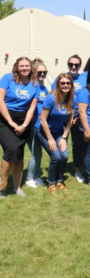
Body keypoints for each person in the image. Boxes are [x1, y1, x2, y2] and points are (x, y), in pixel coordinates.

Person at [0, 57, 38, 198]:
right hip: (4, 119)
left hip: (23, 121)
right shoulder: (7, 78)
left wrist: (25, 125)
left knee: (19, 154)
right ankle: (2, 186)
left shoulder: (34, 84)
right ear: (16, 67)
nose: (24, 68)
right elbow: (0, 100)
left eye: (27, 66)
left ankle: (17, 187)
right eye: (21, 66)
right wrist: (10, 122)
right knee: (12, 149)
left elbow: (32, 107)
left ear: (31, 68)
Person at [36, 73, 74, 193]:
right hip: (43, 130)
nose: (65, 85)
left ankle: (59, 181)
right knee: (56, 157)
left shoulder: (72, 98)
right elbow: (42, 119)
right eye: (62, 83)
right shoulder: (51, 98)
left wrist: (64, 137)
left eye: (68, 83)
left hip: (59, 132)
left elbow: (69, 121)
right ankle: (51, 183)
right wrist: (50, 139)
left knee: (64, 156)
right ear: (58, 85)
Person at [53, 54, 86, 183]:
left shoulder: (84, 79)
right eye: (71, 64)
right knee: (61, 146)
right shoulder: (61, 78)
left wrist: (77, 117)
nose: (73, 67)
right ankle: (57, 171)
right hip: (63, 117)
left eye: (76, 65)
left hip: (78, 117)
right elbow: (55, 96)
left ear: (80, 66)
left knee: (78, 145)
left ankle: (78, 170)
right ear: (68, 65)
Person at [25, 59, 48, 188]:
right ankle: (29, 178)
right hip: (33, 124)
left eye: (45, 72)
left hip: (42, 124)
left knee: (39, 153)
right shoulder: (32, 87)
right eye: (40, 72)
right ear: (33, 72)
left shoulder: (44, 88)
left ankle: (36, 176)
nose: (43, 75)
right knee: (36, 152)